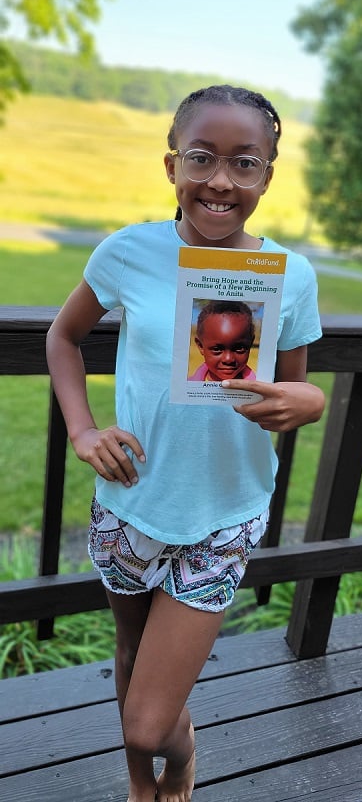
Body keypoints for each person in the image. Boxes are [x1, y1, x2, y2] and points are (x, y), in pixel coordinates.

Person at [46, 84, 325, 802]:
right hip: (131, 499)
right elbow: (63, 336)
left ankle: (176, 755)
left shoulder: (289, 277)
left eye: (245, 163)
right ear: (171, 165)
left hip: (224, 513)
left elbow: (294, 389)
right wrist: (82, 429)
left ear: (268, 175)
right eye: (201, 158)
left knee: (149, 719)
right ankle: (147, 785)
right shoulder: (129, 250)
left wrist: (309, 402)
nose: (221, 180)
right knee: (132, 653)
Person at [188, 299, 257, 381]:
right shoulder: (183, 389)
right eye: (217, 349)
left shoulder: (263, 389)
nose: (228, 359)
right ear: (201, 346)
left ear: (250, 344)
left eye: (239, 348)